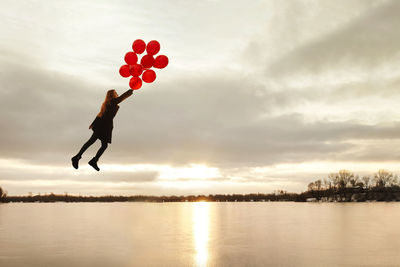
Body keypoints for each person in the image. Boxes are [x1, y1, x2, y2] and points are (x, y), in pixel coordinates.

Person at [71, 89, 133, 171]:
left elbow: (100, 114)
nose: (117, 94)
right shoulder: (112, 101)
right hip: (103, 125)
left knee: (99, 144)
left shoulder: (107, 103)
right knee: (94, 142)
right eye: (115, 93)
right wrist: (131, 90)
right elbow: (121, 98)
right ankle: (79, 157)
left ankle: (89, 160)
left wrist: (93, 123)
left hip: (104, 125)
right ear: (111, 95)